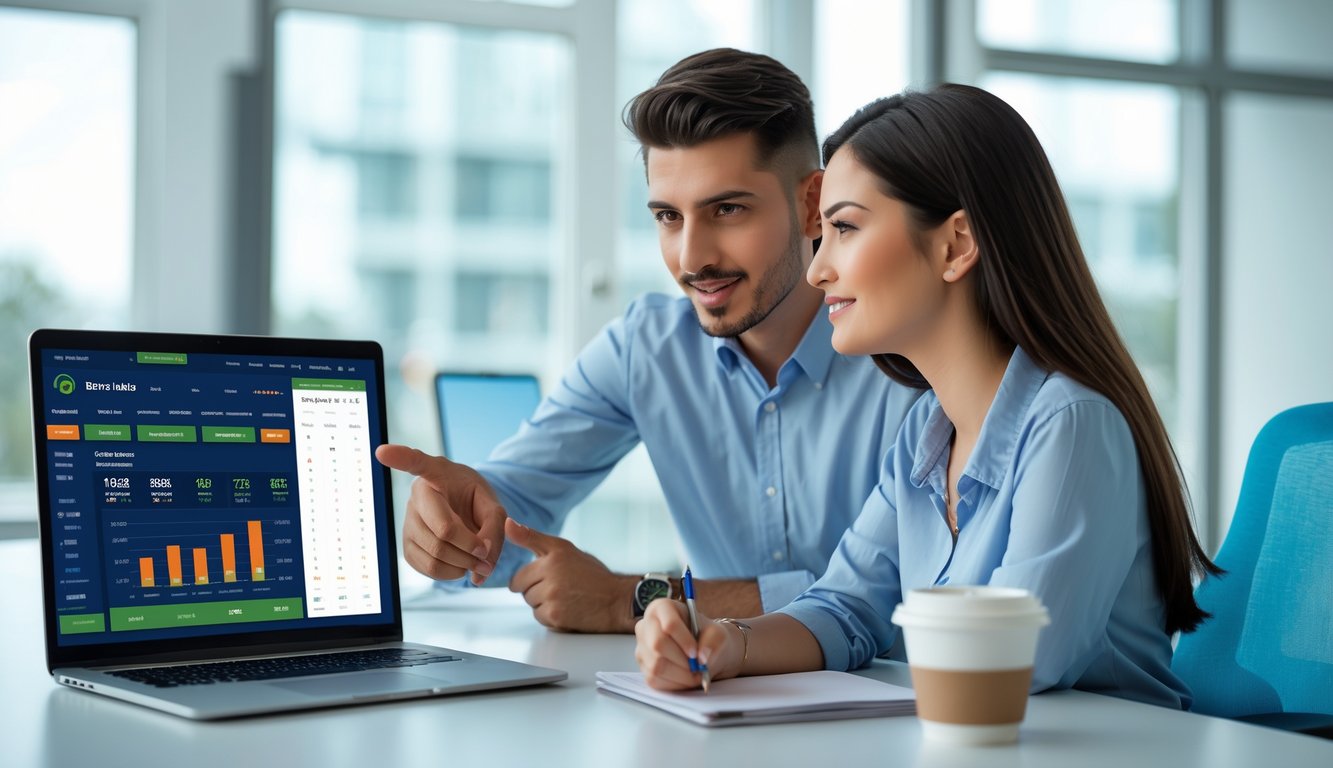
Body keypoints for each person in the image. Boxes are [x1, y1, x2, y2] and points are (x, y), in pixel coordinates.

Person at [634, 84, 1221, 709]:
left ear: (955, 245)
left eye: (845, 228)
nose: (817, 269)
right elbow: (848, 605)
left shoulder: (1070, 424)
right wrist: (725, 642)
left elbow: (1021, 657)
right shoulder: (926, 430)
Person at [375, 49, 920, 633]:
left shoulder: (908, 358)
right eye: (667, 217)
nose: (692, 259)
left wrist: (630, 598)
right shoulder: (647, 348)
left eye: (728, 209)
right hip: (711, 703)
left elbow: (892, 595)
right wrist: (457, 527)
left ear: (813, 204)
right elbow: (506, 523)